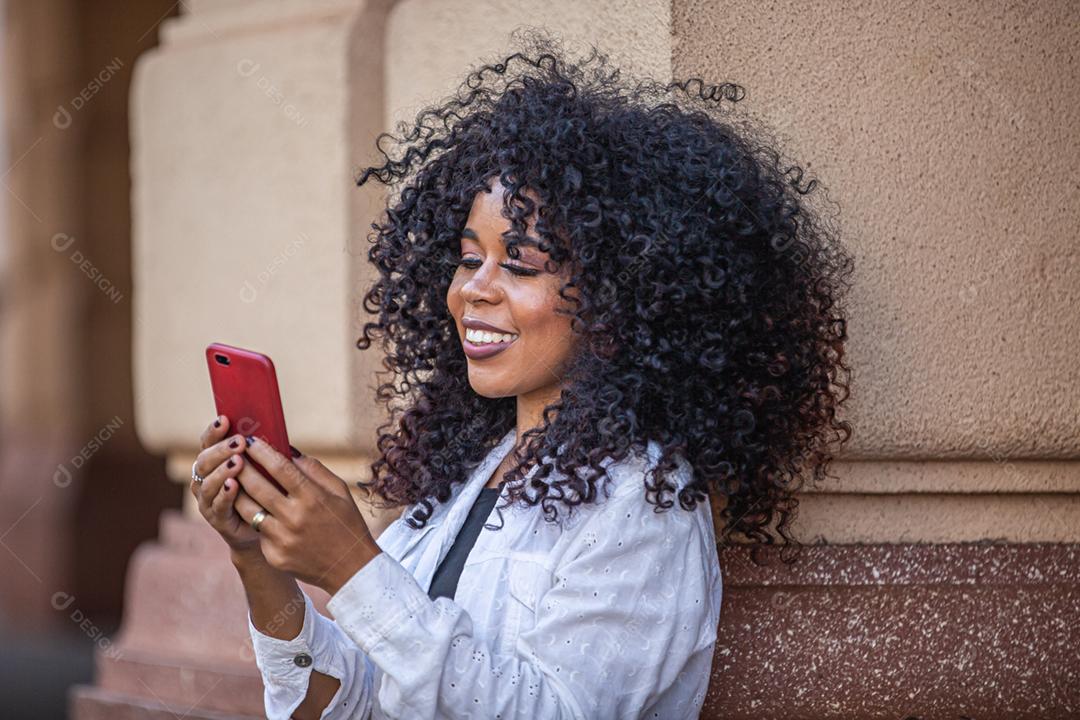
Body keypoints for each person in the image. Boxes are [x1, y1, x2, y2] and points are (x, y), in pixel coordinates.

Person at [189, 29, 853, 720]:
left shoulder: (643, 506)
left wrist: (353, 568)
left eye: (520, 264)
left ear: (619, 294)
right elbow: (343, 705)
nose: (472, 289)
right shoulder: (470, 474)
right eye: (468, 257)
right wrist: (257, 560)